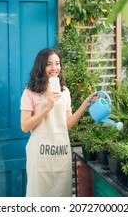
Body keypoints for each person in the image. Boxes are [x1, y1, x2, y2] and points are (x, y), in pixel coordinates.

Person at [20, 48, 96, 197]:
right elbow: (25, 126)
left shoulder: (64, 91)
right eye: (49, 64)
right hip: (40, 155)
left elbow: (67, 124)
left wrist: (84, 105)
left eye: (57, 63)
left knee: (61, 195)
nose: (54, 68)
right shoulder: (30, 92)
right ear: (41, 66)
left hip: (61, 153)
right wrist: (47, 107)